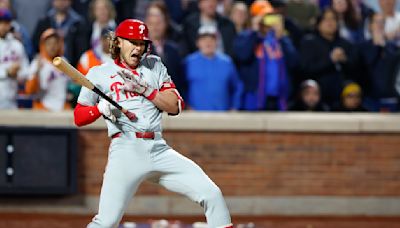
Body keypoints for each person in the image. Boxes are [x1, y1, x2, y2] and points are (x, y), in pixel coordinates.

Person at [73, 19, 233, 228]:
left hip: (158, 148)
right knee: (107, 221)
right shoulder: (99, 73)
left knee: (212, 195)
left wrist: (147, 91)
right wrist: (100, 109)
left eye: (141, 43)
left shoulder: (154, 65)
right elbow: (79, 117)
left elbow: (174, 106)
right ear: (118, 42)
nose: (138, 48)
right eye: (132, 42)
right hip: (126, 150)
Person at [233, 11, 298, 111]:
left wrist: (281, 37)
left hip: (279, 99)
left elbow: (294, 63)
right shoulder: (246, 36)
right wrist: (255, 32)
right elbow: (243, 55)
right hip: (254, 97)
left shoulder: (281, 40)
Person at [298, 7, 358, 108]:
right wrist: (330, 60)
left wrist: (344, 61)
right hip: (317, 100)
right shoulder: (309, 42)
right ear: (318, 23)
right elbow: (305, 69)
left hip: (342, 100)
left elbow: (356, 71)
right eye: (326, 19)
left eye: (333, 19)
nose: (330, 22)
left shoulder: (345, 44)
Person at [184, 25, 243, 111]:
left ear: (217, 42)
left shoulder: (227, 62)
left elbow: (237, 87)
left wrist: (234, 107)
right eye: (204, 39)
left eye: (212, 39)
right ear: (197, 43)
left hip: (222, 116)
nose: (208, 43)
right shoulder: (188, 63)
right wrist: (186, 106)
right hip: (195, 116)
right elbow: (181, 87)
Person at [358, 12, 400, 112]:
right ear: (370, 25)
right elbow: (366, 66)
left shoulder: (393, 48)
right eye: (377, 22)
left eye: (382, 22)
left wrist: (384, 44)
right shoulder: (362, 47)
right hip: (369, 100)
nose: (379, 25)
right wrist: (377, 47)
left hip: (391, 99)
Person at [145, 1, 185, 97]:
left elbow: (179, 79)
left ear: (165, 24)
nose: (155, 27)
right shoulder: (141, 50)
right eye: (151, 23)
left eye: (158, 23)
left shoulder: (174, 50)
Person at [25, 28, 71, 111]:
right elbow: (29, 91)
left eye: (55, 43)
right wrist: (37, 72)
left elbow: (72, 85)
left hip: (62, 107)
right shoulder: (37, 62)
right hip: (43, 106)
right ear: (43, 45)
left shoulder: (64, 61)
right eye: (49, 43)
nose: (52, 46)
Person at [32, 0, 88, 66]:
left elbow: (82, 50)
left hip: (71, 67)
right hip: (47, 65)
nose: (61, 2)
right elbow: (36, 45)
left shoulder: (78, 23)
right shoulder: (44, 21)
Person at [0, 8, 29, 109]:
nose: (3, 26)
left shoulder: (17, 45)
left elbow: (26, 70)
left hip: (12, 100)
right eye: (1, 22)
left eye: (6, 23)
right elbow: (7, 72)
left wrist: (18, 73)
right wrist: (7, 72)